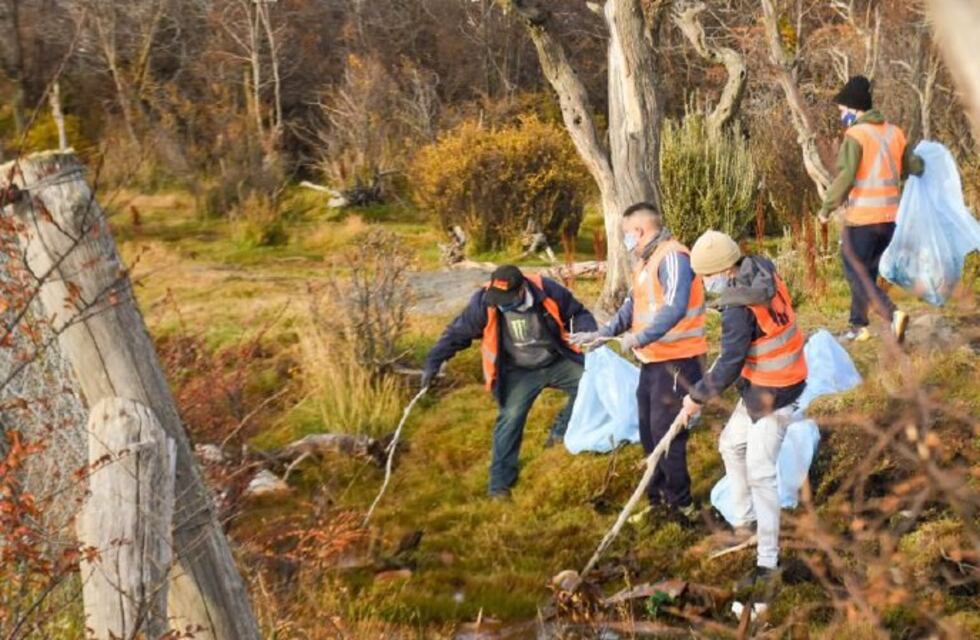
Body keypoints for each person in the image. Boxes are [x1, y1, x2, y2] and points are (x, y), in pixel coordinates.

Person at [678, 230, 807, 598]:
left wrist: (696, 397)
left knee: (761, 473)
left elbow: (729, 363)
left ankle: (768, 562)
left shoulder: (738, 309)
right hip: (771, 382)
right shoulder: (762, 269)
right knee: (730, 445)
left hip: (774, 393)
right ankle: (746, 523)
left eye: (705, 276)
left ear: (721, 271)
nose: (705, 283)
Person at [569, 202, 707, 525]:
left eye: (626, 235)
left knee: (667, 435)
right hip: (652, 362)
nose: (625, 241)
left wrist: (640, 338)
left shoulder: (673, 257)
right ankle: (657, 500)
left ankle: (681, 504)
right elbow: (631, 307)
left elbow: (674, 307)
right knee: (647, 430)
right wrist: (602, 335)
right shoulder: (644, 262)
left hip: (677, 362)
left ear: (639, 231)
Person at [422, 265, 597, 499]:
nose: (501, 304)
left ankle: (559, 433)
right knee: (510, 417)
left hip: (556, 360)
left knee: (591, 383)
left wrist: (587, 332)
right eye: (498, 299)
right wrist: (433, 362)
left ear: (522, 289)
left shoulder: (547, 290)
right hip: (517, 371)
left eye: (507, 299)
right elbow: (456, 333)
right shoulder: (485, 301)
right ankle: (500, 485)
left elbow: (578, 313)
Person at [818, 75, 925, 343]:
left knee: (855, 271)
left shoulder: (856, 135)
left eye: (842, 111)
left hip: (863, 219)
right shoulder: (894, 132)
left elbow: (845, 176)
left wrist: (826, 208)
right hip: (890, 221)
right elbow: (915, 167)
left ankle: (893, 314)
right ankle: (858, 325)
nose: (841, 116)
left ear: (854, 109)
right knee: (866, 272)